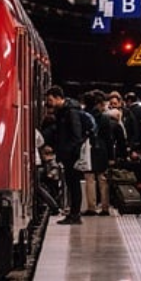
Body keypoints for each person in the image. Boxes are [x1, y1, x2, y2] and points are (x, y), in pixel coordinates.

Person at [44, 85, 85, 225]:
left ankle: (75, 215)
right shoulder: (64, 112)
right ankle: (73, 214)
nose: (49, 103)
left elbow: (76, 135)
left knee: (74, 185)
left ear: (58, 98)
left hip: (72, 156)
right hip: (68, 154)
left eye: (50, 99)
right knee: (71, 185)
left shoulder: (70, 112)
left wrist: (67, 152)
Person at [81, 90, 113, 216]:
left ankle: (91, 207)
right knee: (102, 179)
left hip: (88, 150)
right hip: (102, 150)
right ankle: (105, 207)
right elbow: (109, 138)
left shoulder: (83, 116)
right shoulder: (104, 118)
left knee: (89, 178)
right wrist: (111, 156)